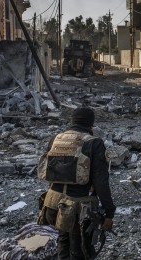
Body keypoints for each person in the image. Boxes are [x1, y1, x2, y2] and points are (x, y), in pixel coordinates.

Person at [38, 107, 115, 259]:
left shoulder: (56, 139)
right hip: (79, 209)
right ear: (91, 124)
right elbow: (101, 181)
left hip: (53, 204)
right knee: (82, 250)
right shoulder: (94, 143)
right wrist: (109, 211)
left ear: (72, 121)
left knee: (63, 241)